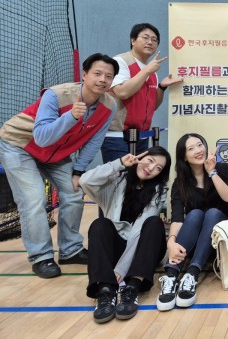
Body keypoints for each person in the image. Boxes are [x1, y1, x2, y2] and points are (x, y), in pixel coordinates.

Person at [0, 53, 118, 278]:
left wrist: (78, 171)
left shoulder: (109, 105)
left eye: (109, 76)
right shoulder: (56, 95)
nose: (103, 79)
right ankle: (41, 256)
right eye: (97, 74)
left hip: (57, 154)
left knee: (74, 192)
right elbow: (42, 138)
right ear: (84, 75)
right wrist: (71, 118)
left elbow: (94, 141)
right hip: (19, 145)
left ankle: (71, 249)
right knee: (34, 198)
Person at [80, 147, 171, 323]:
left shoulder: (159, 190)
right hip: (118, 246)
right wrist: (119, 163)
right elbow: (85, 181)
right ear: (139, 157)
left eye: (158, 168)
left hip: (145, 247)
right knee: (99, 225)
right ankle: (106, 291)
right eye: (150, 160)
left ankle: (132, 288)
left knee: (154, 223)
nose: (151, 168)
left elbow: (138, 231)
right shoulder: (116, 179)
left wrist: (121, 269)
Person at [157, 133, 228, 311]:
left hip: (220, 242)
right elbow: (178, 218)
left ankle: (192, 275)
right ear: (184, 157)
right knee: (194, 214)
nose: (198, 150)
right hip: (194, 243)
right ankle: (171, 277)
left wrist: (212, 172)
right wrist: (171, 242)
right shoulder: (180, 183)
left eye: (200, 145)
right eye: (191, 149)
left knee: (213, 213)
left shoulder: (222, 168)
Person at [101, 23, 183, 162]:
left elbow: (153, 106)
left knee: (138, 181)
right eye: (145, 37)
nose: (150, 42)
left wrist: (162, 87)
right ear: (133, 40)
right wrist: (146, 71)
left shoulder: (151, 71)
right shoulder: (120, 62)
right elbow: (122, 92)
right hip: (117, 136)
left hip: (142, 136)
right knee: (118, 181)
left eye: (154, 39)